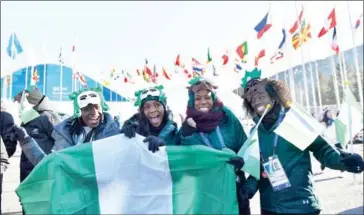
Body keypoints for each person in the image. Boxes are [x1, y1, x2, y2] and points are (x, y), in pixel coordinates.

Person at [239, 76, 364, 215]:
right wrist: (248, 189)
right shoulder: (255, 132)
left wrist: (343, 162)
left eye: (259, 94)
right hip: (270, 208)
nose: (255, 100)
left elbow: (321, 148)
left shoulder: (293, 120)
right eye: (250, 98)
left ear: (273, 94)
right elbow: (258, 168)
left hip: (300, 206)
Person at [178, 77, 250, 215]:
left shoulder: (228, 118)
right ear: (192, 101)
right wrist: (186, 136)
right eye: (198, 98)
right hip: (206, 195)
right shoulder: (188, 126)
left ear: (214, 98)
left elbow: (247, 149)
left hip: (235, 190)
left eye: (207, 97)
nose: (203, 102)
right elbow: (185, 162)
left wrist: (242, 162)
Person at [9, 88, 120, 166]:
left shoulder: (114, 133)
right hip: (76, 193)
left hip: (105, 195)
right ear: (78, 111)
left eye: (97, 107)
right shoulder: (66, 133)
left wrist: (136, 129)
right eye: (87, 108)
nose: (94, 112)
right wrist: (27, 142)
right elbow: (50, 165)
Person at [13, 86, 61, 184]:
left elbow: (61, 140)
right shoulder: (28, 116)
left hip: (43, 169)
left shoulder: (47, 117)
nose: (19, 106)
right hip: (28, 170)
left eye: (21, 102)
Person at [121, 85, 179, 151]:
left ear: (164, 107)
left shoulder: (173, 130)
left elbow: (181, 155)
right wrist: (122, 137)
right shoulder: (133, 128)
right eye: (147, 107)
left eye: (157, 105)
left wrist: (164, 148)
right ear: (142, 111)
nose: (152, 110)